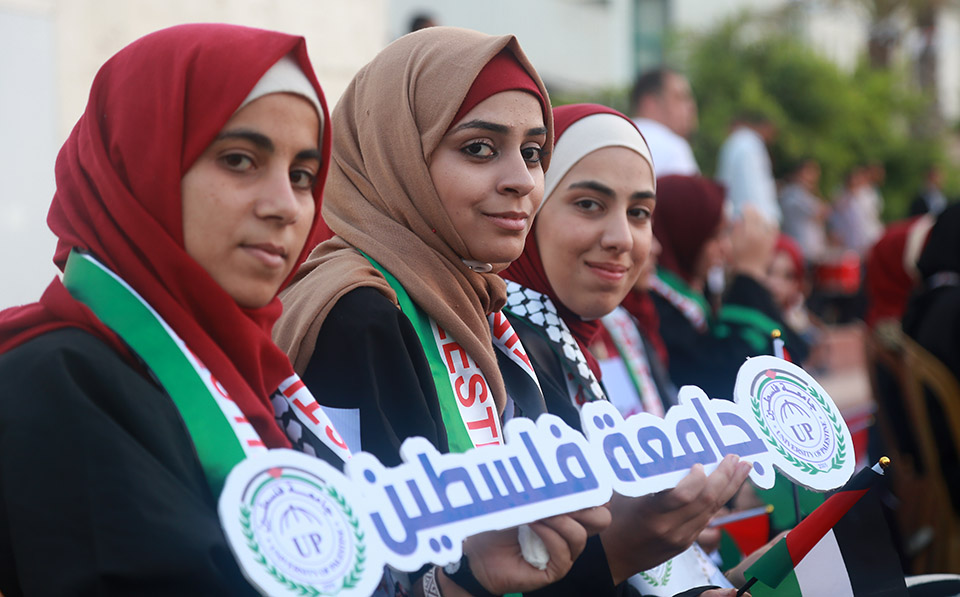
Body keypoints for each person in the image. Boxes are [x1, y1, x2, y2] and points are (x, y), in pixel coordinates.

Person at [0, 23, 336, 595]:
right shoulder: (58, 379)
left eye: (302, 175)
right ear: (138, 164)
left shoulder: (252, 371)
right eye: (239, 160)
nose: (286, 206)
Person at [274, 27, 609, 596]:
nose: (521, 181)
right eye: (479, 148)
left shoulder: (477, 297)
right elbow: (365, 573)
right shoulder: (357, 312)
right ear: (394, 153)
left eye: (533, 153)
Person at [500, 103, 752, 597]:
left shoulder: (572, 340)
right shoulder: (491, 356)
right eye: (588, 204)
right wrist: (619, 550)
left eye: (639, 213)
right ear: (528, 209)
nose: (623, 239)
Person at [647, 175, 805, 400]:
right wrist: (749, 274)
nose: (726, 247)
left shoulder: (693, 296)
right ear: (684, 233)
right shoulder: (653, 308)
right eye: (715, 236)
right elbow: (721, 378)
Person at [630, 68, 700, 177]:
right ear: (650, 103)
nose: (691, 107)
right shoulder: (674, 147)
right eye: (680, 98)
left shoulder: (618, 138)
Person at [714, 113, 779, 226]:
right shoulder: (750, 144)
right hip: (752, 219)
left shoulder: (733, 142)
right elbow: (754, 188)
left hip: (734, 217)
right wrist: (768, 220)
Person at [778, 158, 828, 263]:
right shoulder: (794, 193)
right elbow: (822, 211)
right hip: (802, 249)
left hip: (810, 250)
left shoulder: (803, 194)